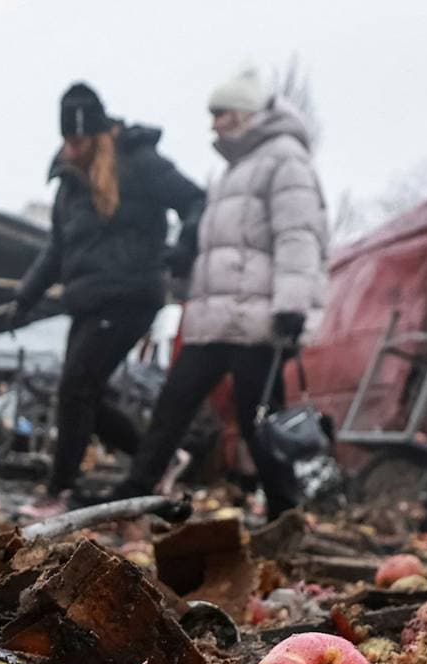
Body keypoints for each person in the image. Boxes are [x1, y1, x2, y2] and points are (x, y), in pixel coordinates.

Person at [110, 67, 330, 517]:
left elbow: (299, 236)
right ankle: (135, 491)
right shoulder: (235, 169)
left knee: (257, 421)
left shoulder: (285, 159)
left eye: (221, 113)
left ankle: (286, 512)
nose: (213, 123)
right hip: (214, 316)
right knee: (173, 404)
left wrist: (292, 305)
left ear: (247, 114)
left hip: (258, 321)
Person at [14, 82, 205, 518]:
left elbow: (194, 199)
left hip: (132, 295)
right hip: (87, 300)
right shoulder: (68, 185)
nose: (71, 148)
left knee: (75, 390)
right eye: (66, 139)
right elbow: (57, 249)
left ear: (97, 134)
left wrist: (184, 247)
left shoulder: (137, 161)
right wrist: (25, 294)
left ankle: (60, 490)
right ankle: (158, 458)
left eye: (79, 139)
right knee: (83, 395)